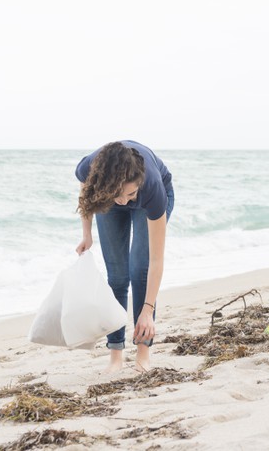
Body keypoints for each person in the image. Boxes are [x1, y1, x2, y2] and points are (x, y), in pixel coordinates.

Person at [75, 140, 174, 373]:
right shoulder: (89, 168)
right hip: (105, 198)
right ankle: (115, 356)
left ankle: (143, 352)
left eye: (128, 194)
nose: (124, 201)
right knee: (118, 277)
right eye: (118, 195)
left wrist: (148, 311)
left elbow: (156, 261)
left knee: (139, 270)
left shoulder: (151, 188)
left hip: (148, 198)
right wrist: (86, 234)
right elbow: (85, 194)